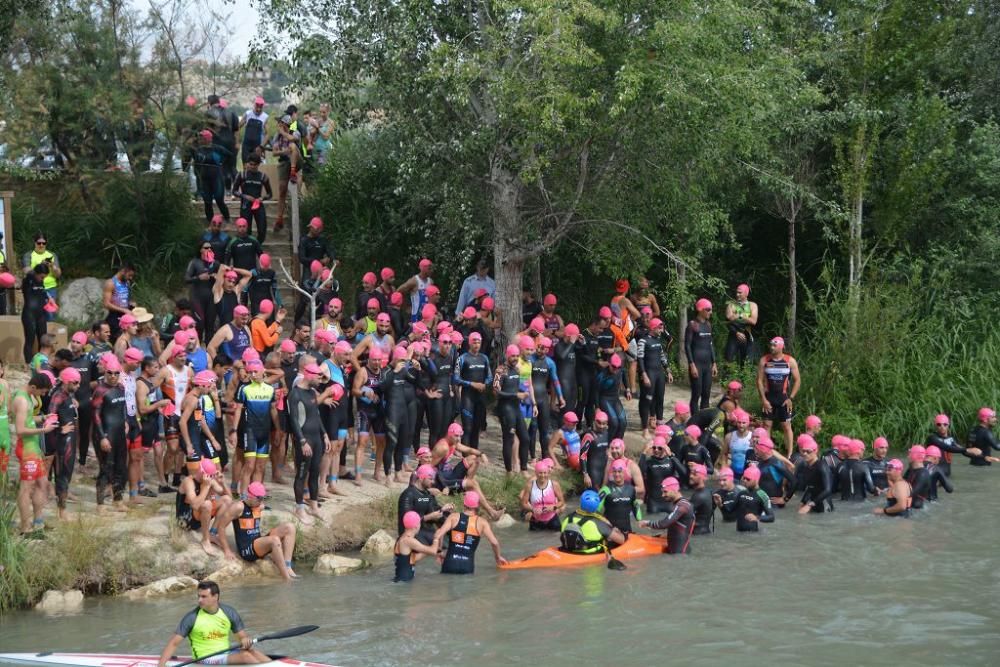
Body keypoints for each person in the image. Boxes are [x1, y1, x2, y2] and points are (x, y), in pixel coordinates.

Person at [157, 580, 270, 667]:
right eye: (199, 596)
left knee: (252, 652)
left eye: (204, 596)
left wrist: (245, 640)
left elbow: (241, 637)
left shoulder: (229, 612)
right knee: (246, 657)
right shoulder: (192, 618)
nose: (199, 600)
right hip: (204, 658)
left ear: (215, 597)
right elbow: (174, 644)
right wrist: (161, 666)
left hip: (226, 652)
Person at [217, 481, 298, 580]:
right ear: (250, 496)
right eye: (259, 498)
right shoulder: (238, 507)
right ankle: (287, 579)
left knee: (290, 527)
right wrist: (227, 550)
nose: (261, 501)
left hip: (259, 543)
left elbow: (265, 506)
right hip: (247, 550)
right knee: (274, 540)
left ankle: (288, 566)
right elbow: (221, 526)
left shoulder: (258, 505)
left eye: (263, 498)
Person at [13, 373, 57, 534]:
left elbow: (28, 420)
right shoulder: (22, 400)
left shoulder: (28, 397)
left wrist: (45, 417)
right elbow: (20, 429)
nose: (43, 395)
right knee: (26, 487)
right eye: (42, 392)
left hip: (34, 448)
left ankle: (38, 522)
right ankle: (25, 527)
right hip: (26, 449)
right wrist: (44, 430)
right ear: (33, 387)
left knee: (42, 483)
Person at [287, 362, 328, 523]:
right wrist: (302, 441)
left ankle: (314, 506)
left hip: (317, 438)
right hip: (304, 439)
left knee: (315, 473)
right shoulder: (295, 394)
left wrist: (324, 434)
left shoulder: (312, 392)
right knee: (302, 474)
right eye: (319, 377)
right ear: (309, 375)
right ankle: (299, 508)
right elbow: (294, 420)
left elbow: (316, 416)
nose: (321, 380)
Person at [433, 491, 507, 573]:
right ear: (477, 505)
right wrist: (498, 557)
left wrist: (439, 551)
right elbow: (494, 543)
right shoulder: (482, 522)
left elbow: (438, 533)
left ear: (464, 504)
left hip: (450, 564)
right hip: (467, 566)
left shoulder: (453, 517)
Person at [92, 356, 130, 513]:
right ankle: (100, 505)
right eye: (110, 373)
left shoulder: (121, 388)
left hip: (120, 433)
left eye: (116, 373)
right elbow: (95, 415)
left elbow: (122, 408)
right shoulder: (100, 390)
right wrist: (102, 437)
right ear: (105, 373)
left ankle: (118, 500)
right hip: (106, 434)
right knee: (106, 469)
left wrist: (126, 421)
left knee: (121, 469)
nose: (113, 376)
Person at [176, 456, 235, 557]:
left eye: (212, 476)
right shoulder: (188, 482)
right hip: (185, 520)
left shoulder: (209, 481)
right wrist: (206, 487)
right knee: (207, 504)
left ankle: (212, 533)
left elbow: (230, 499)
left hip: (198, 518)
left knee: (226, 500)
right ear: (203, 473)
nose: (211, 478)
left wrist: (223, 483)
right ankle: (205, 539)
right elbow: (195, 505)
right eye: (210, 476)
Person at [757, 337, 801, 456]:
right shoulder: (764, 360)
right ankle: (766, 452)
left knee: (786, 426)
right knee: (767, 425)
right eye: (770, 345)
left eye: (774, 345)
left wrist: (790, 398)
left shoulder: (789, 361)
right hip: (769, 398)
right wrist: (763, 399)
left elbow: (797, 380)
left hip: (783, 398)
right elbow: (759, 381)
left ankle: (790, 454)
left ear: (781, 346)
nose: (771, 347)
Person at [493, 344, 534, 474]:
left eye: (517, 356)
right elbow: (496, 392)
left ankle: (523, 469)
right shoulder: (501, 370)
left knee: (525, 438)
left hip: (516, 408)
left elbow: (514, 388)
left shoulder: (517, 369)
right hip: (505, 409)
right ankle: (509, 471)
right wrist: (516, 394)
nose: (515, 358)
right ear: (507, 355)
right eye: (513, 356)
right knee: (509, 439)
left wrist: (523, 391)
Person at [397, 464, 453, 545]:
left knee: (451, 539)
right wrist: (428, 517)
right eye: (430, 479)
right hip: (411, 533)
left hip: (425, 530)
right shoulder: (408, 494)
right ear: (421, 478)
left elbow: (433, 511)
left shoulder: (427, 494)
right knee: (440, 546)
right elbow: (405, 520)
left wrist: (443, 510)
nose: (433, 482)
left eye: (433, 479)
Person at [560, 489, 626, 554]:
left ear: (581, 502)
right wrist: (619, 532)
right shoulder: (598, 522)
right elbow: (621, 540)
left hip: (568, 550)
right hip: (589, 553)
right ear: (597, 505)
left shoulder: (567, 518)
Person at [636, 317, 673, 435]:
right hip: (649, 373)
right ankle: (644, 429)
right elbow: (640, 358)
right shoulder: (643, 340)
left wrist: (668, 371)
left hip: (659, 373)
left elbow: (662, 357)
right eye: (660, 328)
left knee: (660, 399)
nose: (661, 331)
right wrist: (644, 374)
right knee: (647, 400)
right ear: (653, 327)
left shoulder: (658, 341)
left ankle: (660, 425)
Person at [639, 478, 695, 554]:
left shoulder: (683, 506)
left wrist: (647, 523)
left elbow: (664, 523)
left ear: (674, 490)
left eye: (665, 492)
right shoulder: (679, 504)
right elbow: (676, 526)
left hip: (680, 554)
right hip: (677, 552)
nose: (662, 495)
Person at [232, 154, 273, 244]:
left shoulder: (263, 177)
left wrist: (262, 198)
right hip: (245, 205)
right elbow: (234, 191)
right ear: (247, 164)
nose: (252, 167)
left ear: (258, 165)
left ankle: (257, 244)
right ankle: (248, 246)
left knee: (262, 229)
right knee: (247, 230)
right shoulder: (242, 175)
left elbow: (270, 194)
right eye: (251, 164)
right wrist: (244, 196)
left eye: (255, 165)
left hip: (258, 204)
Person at [684, 298, 717, 410]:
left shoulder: (708, 325)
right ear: (700, 309)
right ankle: (694, 422)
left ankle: (704, 422)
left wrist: (714, 363)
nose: (710, 312)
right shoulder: (693, 325)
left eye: (711, 310)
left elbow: (710, 344)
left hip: (707, 365)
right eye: (708, 309)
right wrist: (691, 364)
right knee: (696, 394)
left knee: (706, 394)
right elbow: (687, 346)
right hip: (696, 364)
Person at [638, 435, 684, 514]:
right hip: (653, 502)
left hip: (669, 502)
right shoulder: (649, 462)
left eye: (659, 448)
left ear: (665, 448)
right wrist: (644, 453)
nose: (656, 450)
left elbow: (683, 473)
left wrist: (671, 455)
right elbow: (639, 472)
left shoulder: (671, 460)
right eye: (654, 447)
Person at [194, 129, 230, 223]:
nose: (199, 139)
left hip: (217, 178)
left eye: (201, 137)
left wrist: (222, 162)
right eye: (199, 137)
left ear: (208, 139)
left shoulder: (218, 148)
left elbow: (230, 155)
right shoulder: (198, 150)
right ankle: (210, 223)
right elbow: (196, 164)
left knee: (219, 201)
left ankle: (227, 219)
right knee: (207, 202)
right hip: (204, 179)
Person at [22, 233, 61, 321]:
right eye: (39, 243)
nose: (41, 245)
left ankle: (49, 333)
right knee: (35, 314)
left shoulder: (52, 255)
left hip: (50, 288)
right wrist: (41, 267)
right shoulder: (29, 255)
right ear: (34, 243)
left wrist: (52, 267)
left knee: (50, 315)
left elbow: (58, 274)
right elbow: (26, 270)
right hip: (34, 288)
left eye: (44, 243)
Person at [393, 511, 440, 582]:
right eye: (419, 523)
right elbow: (433, 551)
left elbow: (412, 558)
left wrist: (438, 553)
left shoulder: (402, 538)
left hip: (402, 581)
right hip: (404, 583)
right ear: (416, 526)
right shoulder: (408, 540)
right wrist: (437, 537)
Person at [598, 459, 642, 534]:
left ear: (624, 472)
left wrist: (640, 520)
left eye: (619, 471)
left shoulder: (631, 489)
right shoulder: (605, 490)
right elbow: (596, 510)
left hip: (627, 529)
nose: (617, 474)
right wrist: (605, 523)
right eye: (614, 471)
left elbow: (635, 506)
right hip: (611, 531)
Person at [519, 459, 565, 530]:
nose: (543, 475)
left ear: (548, 473)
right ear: (536, 473)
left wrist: (553, 507)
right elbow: (523, 503)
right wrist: (533, 509)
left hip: (552, 519)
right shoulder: (530, 485)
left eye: (545, 473)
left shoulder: (554, 484)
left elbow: (562, 502)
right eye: (540, 473)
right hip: (536, 520)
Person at [794, 435, 834, 514]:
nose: (805, 454)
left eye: (808, 451)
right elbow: (810, 487)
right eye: (803, 451)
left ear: (815, 451)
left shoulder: (822, 466)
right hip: (814, 503)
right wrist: (803, 502)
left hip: (825, 505)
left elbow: (828, 490)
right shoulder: (807, 466)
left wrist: (809, 505)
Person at [20, 263, 49, 363]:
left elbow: (42, 295)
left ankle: (41, 362)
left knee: (43, 339)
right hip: (29, 314)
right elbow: (27, 272)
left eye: (44, 277)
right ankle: (28, 364)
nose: (42, 279)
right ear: (36, 274)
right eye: (41, 277)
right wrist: (34, 269)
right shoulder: (29, 279)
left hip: (40, 314)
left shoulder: (41, 282)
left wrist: (49, 301)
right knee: (30, 339)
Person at [724, 283, 758, 369]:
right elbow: (729, 318)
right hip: (734, 334)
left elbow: (753, 321)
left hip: (747, 334)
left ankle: (744, 381)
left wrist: (737, 315)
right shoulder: (731, 304)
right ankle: (727, 381)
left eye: (740, 293)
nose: (737, 295)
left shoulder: (752, 305)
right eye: (737, 292)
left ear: (746, 293)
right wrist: (744, 316)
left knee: (747, 364)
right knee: (729, 362)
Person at [597, 352, 629, 439]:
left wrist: (627, 389)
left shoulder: (620, 370)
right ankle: (608, 446)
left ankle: (618, 445)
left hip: (615, 399)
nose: (616, 370)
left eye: (618, 367)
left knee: (623, 422)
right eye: (614, 367)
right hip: (604, 399)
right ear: (609, 364)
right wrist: (597, 407)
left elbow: (624, 375)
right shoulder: (602, 375)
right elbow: (595, 391)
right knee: (614, 423)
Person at [732, 466, 774, 532]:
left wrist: (757, 517)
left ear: (756, 480)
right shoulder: (741, 493)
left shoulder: (763, 495)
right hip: (738, 533)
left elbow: (771, 517)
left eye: (748, 479)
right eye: (744, 478)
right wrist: (721, 504)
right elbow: (731, 512)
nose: (745, 481)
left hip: (753, 535)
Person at [103, 262, 136, 339]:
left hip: (126, 314)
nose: (131, 278)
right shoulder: (110, 283)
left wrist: (130, 303)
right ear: (123, 271)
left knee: (128, 337)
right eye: (129, 275)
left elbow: (125, 298)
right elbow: (106, 304)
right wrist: (123, 310)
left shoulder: (127, 282)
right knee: (115, 338)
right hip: (115, 316)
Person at [397, 258, 435, 322]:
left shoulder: (430, 281)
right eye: (429, 269)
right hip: (416, 316)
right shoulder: (414, 281)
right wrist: (405, 307)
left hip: (427, 315)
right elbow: (398, 291)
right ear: (423, 269)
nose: (432, 271)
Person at [240, 96, 269, 163]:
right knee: (245, 164)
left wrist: (261, 146)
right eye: (257, 107)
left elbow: (267, 134)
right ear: (254, 105)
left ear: (263, 107)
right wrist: (237, 141)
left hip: (257, 146)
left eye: (260, 107)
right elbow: (238, 127)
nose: (258, 109)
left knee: (256, 165)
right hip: (246, 145)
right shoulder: (247, 114)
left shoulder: (265, 117)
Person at [687, 463, 715, 534]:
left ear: (703, 477)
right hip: (705, 531)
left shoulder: (699, 496)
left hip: (696, 533)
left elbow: (683, 516)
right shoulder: (709, 492)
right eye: (691, 473)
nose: (690, 476)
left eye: (694, 474)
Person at [904, 445, 931, 510]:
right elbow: (902, 483)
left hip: (916, 509)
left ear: (915, 456)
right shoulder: (910, 469)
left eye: (909, 454)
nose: (908, 456)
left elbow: (912, 492)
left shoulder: (923, 474)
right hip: (907, 505)